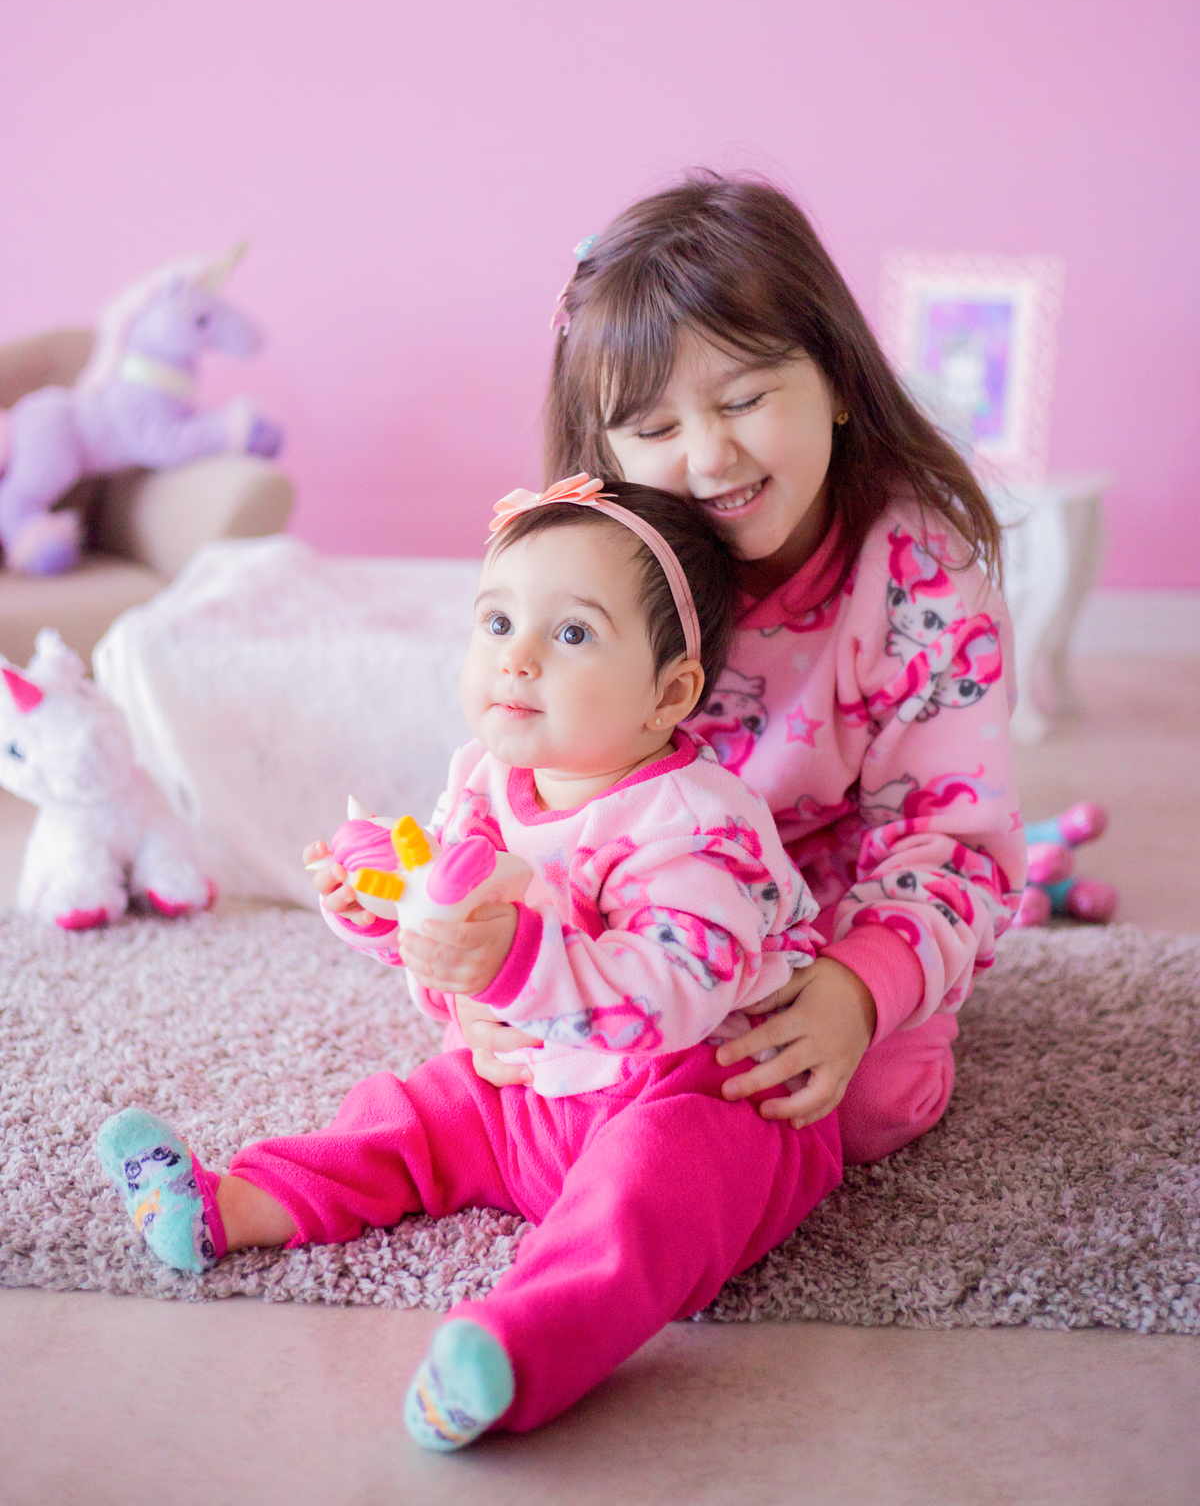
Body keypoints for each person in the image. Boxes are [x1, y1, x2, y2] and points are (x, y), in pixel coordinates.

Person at [96, 477, 842, 1448]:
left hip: (706, 1091)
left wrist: (510, 964)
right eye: (496, 621)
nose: (517, 656)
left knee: (650, 1200)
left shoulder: (697, 821)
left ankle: (512, 1351)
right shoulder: (485, 781)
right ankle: (228, 1205)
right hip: (530, 1093)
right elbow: (446, 940)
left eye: (570, 635)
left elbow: (672, 998)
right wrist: (382, 915)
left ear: (669, 693)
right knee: (407, 1112)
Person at [463, 173, 1025, 1168]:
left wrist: (859, 989)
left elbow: (953, 842)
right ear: (601, 449)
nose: (712, 455)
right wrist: (489, 979)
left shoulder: (920, 582)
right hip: (632, 911)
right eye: (656, 429)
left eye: (746, 398)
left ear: (839, 379)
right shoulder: (606, 568)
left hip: (821, 923)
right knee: (505, 1073)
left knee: (871, 1099)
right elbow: (517, 772)